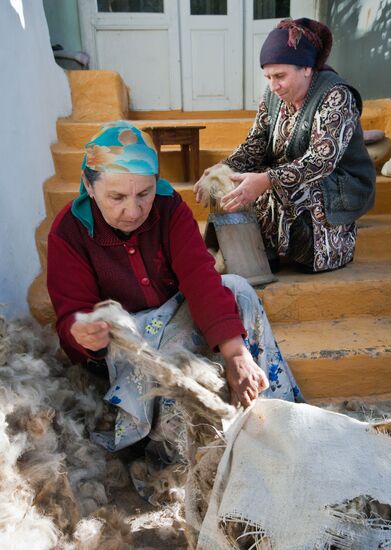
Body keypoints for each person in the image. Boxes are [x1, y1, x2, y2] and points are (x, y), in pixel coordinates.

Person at [47, 122, 302, 461]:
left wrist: (235, 353)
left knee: (237, 288)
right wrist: (83, 336)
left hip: (179, 315)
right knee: (164, 346)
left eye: (144, 194)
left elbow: (199, 277)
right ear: (88, 187)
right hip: (132, 342)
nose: (134, 211)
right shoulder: (69, 233)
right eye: (117, 197)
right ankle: (187, 450)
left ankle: (280, 413)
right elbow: (71, 315)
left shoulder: (169, 208)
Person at [194, 18, 375, 273]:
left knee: (286, 188)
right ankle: (258, 256)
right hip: (289, 174)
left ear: (307, 69)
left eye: (280, 76)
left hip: (338, 184)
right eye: (268, 76)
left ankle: (313, 255)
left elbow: (321, 161)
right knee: (230, 182)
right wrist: (222, 168)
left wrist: (267, 180)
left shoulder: (336, 95)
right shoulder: (272, 95)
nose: (273, 85)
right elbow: (255, 144)